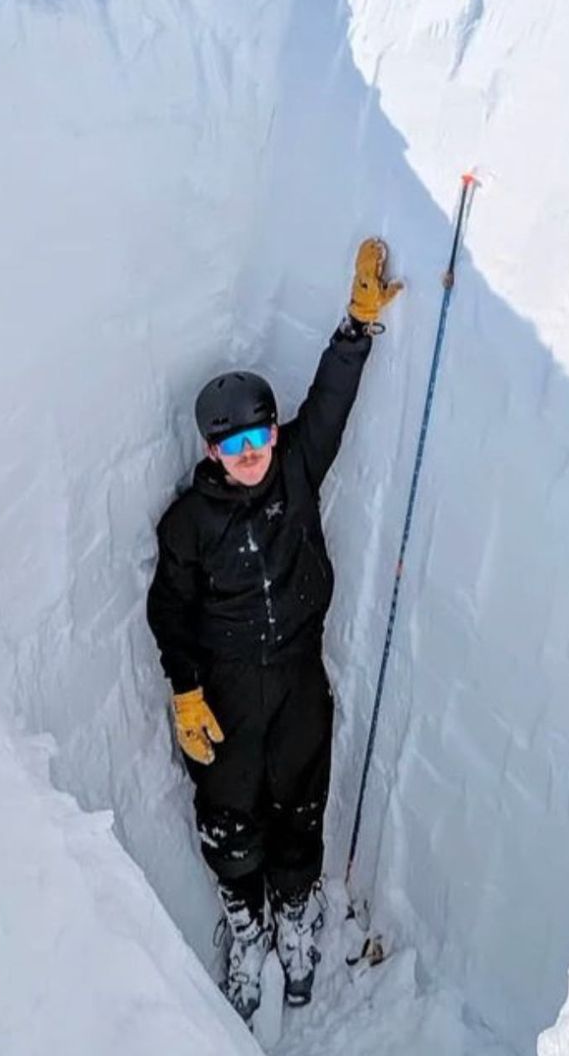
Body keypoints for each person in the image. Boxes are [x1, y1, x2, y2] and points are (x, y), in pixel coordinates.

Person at [145, 238, 402, 1019]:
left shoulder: (294, 467)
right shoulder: (188, 525)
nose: (253, 455)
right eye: (236, 446)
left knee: (298, 802)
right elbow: (169, 609)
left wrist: (356, 327)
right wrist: (188, 693)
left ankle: (294, 915)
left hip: (296, 674)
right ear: (212, 451)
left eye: (260, 439)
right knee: (228, 814)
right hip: (224, 686)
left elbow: (327, 404)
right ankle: (244, 920)